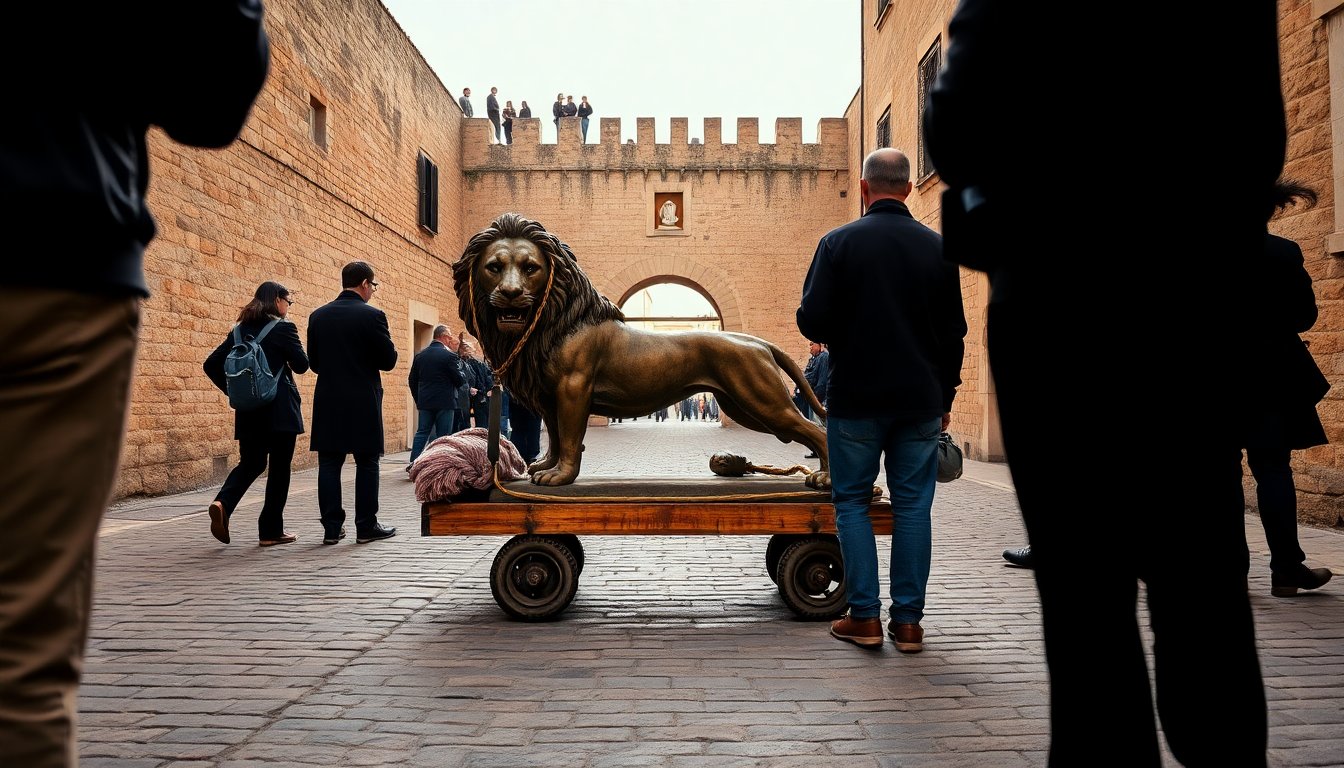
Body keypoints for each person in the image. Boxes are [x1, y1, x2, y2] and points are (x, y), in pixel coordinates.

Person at [924, 1, 1286, 763]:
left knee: (1085, 597)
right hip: (1192, 309)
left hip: (1061, 314)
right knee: (1203, 580)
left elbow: (955, 121)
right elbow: (1257, 134)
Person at [0, 3, 270, 763]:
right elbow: (211, 101)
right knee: (21, 646)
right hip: (54, 254)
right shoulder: (277, 330)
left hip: (60, 264)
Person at [797, 147, 967, 654]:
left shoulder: (838, 243)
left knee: (851, 502)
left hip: (857, 399)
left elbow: (813, 322)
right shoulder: (939, 248)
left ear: (865, 189)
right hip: (919, 400)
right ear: (910, 189)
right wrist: (946, 395)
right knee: (914, 507)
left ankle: (865, 617)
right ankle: (909, 624)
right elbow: (953, 334)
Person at [1247, 180, 1333, 598]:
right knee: (1274, 469)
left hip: (1210, 380)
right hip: (1272, 378)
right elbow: (1304, 317)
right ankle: (1286, 568)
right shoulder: (1283, 252)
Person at [203, 281, 309, 546]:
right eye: (288, 301)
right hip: (280, 410)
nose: (288, 306)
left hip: (249, 411)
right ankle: (270, 531)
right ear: (277, 301)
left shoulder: (239, 331)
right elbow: (302, 365)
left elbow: (211, 364)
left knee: (251, 463)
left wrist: (235, 392)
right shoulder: (284, 328)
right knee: (279, 469)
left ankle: (223, 502)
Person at [307, 261, 399, 545]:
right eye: (373, 286)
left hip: (329, 397)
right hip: (363, 398)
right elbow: (389, 360)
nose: (373, 291)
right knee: (368, 461)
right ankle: (366, 526)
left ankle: (332, 529)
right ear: (364, 284)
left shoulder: (318, 316)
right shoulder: (373, 316)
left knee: (329, 463)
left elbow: (314, 363)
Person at [407, 325, 467, 468]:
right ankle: (438, 465)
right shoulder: (449, 356)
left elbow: (412, 380)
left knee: (422, 432)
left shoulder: (420, 356)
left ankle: (414, 463)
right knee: (443, 435)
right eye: (449, 336)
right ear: (444, 336)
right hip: (445, 402)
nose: (450, 339)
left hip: (425, 402)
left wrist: (418, 399)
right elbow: (459, 380)